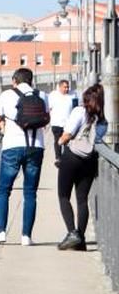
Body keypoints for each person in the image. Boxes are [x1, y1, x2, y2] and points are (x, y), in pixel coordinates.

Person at [0, 68, 49, 246]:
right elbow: (47, 118)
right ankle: (26, 236)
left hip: (12, 148)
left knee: (4, 190)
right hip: (36, 147)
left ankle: (0, 232)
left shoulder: (6, 95)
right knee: (30, 192)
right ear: (31, 80)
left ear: (14, 80)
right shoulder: (43, 96)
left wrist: (2, 121)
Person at [55, 83, 106, 251]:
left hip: (71, 158)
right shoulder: (103, 121)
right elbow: (96, 140)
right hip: (89, 161)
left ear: (86, 99)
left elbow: (68, 134)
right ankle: (81, 240)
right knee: (82, 199)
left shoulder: (79, 111)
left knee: (64, 196)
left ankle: (72, 233)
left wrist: (60, 141)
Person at [47, 79, 78, 160]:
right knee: (58, 141)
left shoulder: (73, 94)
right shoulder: (53, 95)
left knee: (67, 141)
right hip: (56, 123)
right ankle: (58, 158)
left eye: (68, 87)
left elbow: (76, 108)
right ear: (60, 87)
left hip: (68, 124)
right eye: (65, 87)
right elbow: (49, 109)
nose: (67, 89)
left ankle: (67, 158)